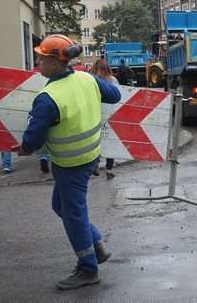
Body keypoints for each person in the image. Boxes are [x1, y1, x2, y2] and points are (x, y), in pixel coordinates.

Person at [15, 34, 121, 290]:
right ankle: (96, 245)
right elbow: (115, 95)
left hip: (69, 163)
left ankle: (88, 269)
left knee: (73, 214)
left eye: (42, 57)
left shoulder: (48, 97)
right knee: (61, 206)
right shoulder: (87, 78)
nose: (38, 61)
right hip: (88, 158)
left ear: (55, 62)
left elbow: (32, 139)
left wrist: (23, 149)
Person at [91, 59, 119, 180]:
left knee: (97, 141)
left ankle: (96, 165)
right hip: (109, 115)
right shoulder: (113, 80)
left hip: (96, 115)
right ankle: (108, 168)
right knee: (109, 141)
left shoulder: (92, 80)